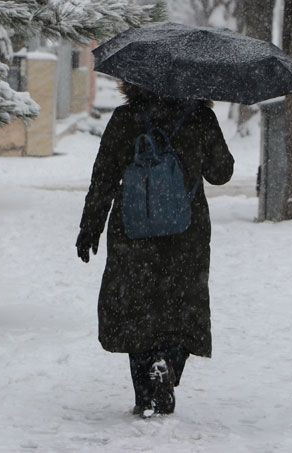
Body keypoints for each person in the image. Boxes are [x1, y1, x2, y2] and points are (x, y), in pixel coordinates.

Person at [76, 82, 234, 417]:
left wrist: (90, 226)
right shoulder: (199, 117)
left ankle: (144, 395)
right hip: (186, 233)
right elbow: (221, 173)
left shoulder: (125, 117)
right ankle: (169, 363)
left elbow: (103, 175)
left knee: (137, 307)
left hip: (133, 230)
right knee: (182, 305)